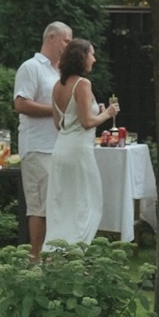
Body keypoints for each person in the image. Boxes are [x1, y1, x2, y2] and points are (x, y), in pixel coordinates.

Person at [43, 39, 117, 250]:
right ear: (81, 57)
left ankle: (55, 249)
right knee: (88, 202)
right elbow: (86, 123)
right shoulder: (83, 84)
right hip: (78, 152)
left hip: (61, 149)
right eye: (91, 54)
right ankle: (76, 250)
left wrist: (96, 111)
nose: (94, 58)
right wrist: (107, 113)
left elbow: (59, 124)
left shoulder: (59, 84)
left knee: (63, 204)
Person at [12, 21, 72, 258]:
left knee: (57, 205)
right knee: (40, 207)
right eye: (66, 40)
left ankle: (54, 256)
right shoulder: (31, 67)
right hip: (38, 147)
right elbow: (21, 104)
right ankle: (35, 259)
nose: (69, 45)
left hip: (60, 146)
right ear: (51, 38)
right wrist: (56, 110)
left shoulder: (61, 71)